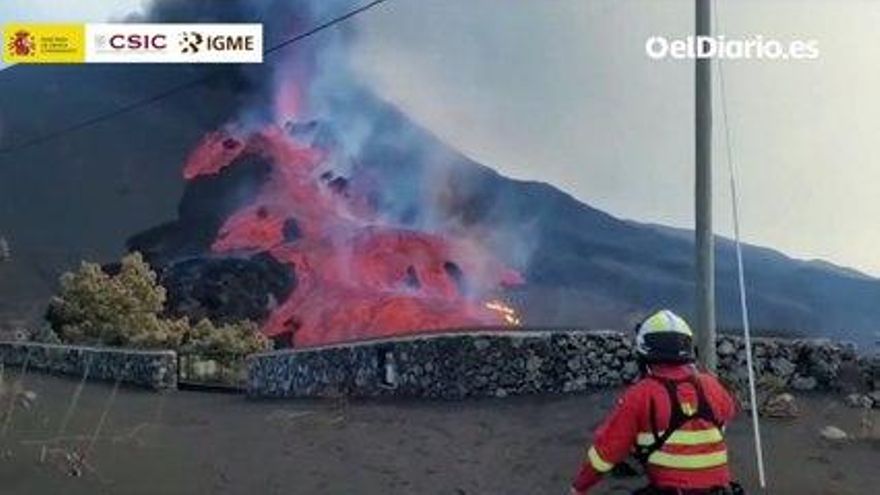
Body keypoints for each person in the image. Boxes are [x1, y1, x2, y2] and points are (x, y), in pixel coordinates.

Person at [569, 310, 742, 495]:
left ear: (644, 352)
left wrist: (579, 488)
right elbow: (728, 413)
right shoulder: (712, 385)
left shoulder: (641, 394)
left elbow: (604, 453)